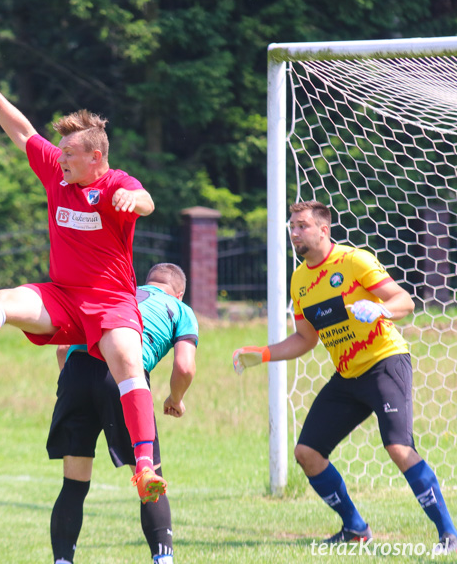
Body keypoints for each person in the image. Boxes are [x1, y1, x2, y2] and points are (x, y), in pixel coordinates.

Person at [0, 56, 165, 502]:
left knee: (126, 359)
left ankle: (144, 469)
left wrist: (133, 200)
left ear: (95, 157)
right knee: (6, 300)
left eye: (69, 153)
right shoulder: (56, 172)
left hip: (111, 303)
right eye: (59, 152)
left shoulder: (115, 183)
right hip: (62, 298)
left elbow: (146, 200)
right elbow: (24, 131)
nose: (59, 158)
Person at [232, 200, 457, 552]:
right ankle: (355, 528)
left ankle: (449, 535)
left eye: (302, 225)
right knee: (307, 452)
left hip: (385, 363)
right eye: (292, 226)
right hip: (348, 375)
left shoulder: (354, 261)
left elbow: (405, 301)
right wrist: (261, 354)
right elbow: (305, 339)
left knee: (398, 448)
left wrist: (380, 308)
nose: (295, 232)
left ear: (324, 229)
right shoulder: (300, 280)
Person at [49, 263, 197, 564]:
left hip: (76, 369)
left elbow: (63, 348)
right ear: (179, 293)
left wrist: (75, 387)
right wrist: (175, 398)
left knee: (74, 484)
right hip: (123, 378)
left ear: (146, 283)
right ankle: (163, 559)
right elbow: (184, 366)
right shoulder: (180, 310)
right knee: (149, 477)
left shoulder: (120, 294)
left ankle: (63, 561)